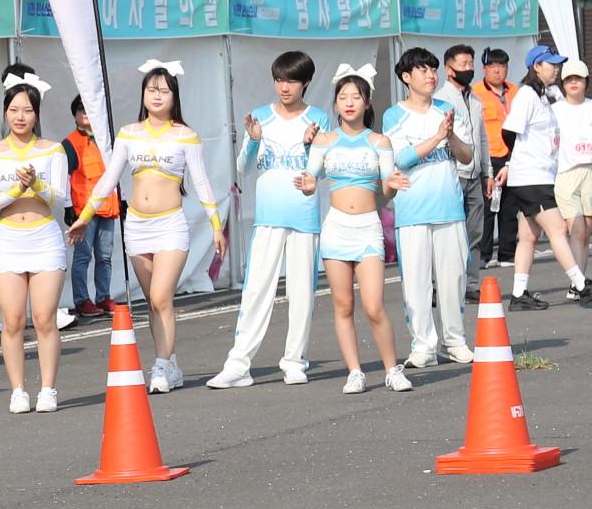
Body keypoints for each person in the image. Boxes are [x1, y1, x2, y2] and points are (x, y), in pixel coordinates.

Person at [72, 59, 224, 392]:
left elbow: (201, 182)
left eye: (164, 90)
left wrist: (215, 224)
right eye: (152, 89)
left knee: (160, 295)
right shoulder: (129, 133)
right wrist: (84, 217)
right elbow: (108, 180)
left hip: (171, 226)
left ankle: (161, 366)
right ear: (143, 94)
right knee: (153, 302)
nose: (157, 96)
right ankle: (170, 363)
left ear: (174, 96)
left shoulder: (185, 136)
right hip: (137, 227)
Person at [207, 51, 331, 389]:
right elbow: (244, 168)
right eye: (279, 80)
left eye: (291, 81)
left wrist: (310, 147)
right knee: (256, 290)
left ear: (306, 82)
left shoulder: (318, 118)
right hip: (268, 218)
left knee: (302, 293)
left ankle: (295, 361)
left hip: (304, 217)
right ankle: (238, 364)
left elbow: (323, 170)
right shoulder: (261, 116)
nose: (284, 87)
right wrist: (254, 140)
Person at [306, 65, 411, 393]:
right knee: (343, 305)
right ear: (335, 103)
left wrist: (393, 184)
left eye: (356, 97)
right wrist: (307, 184)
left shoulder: (380, 141)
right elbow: (311, 179)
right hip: (336, 227)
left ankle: (392, 369)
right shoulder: (324, 140)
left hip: (368, 228)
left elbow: (387, 191)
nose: (349, 103)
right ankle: (355, 372)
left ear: (367, 102)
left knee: (374, 306)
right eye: (343, 97)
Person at [0, 65, 74, 413]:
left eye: (27, 110)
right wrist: (17, 189)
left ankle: (48, 388)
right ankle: (18, 390)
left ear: (37, 113)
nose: (20, 117)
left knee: (45, 318)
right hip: (8, 240)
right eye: (14, 110)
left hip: (44, 237)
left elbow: (61, 197)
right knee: (13, 321)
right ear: (5, 112)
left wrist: (36, 184)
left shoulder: (53, 150)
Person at [495, 47, 592, 309]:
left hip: (539, 174)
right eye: (551, 64)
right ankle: (581, 285)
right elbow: (508, 132)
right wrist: (517, 160)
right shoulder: (527, 95)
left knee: (529, 235)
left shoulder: (544, 95)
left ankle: (518, 294)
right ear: (536, 66)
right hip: (532, 176)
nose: (557, 69)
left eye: (558, 64)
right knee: (558, 229)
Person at [383, 47, 476, 367]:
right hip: (413, 211)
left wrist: (451, 137)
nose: (431, 75)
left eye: (433, 69)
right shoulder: (394, 115)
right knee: (416, 282)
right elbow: (402, 158)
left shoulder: (448, 110)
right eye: (423, 70)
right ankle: (423, 345)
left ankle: (455, 341)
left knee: (453, 279)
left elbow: (467, 156)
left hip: (449, 207)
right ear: (406, 77)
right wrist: (437, 138)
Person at [551, 60, 592, 265]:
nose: (573, 83)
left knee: (586, 231)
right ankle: (577, 279)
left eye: (578, 79)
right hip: (566, 173)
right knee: (577, 229)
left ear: (586, 82)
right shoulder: (554, 110)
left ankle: (579, 278)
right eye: (569, 79)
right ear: (563, 84)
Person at [63, 95, 120, 317]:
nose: (85, 113)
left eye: (88, 109)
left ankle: (103, 297)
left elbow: (114, 172)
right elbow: (65, 177)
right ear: (74, 114)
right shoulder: (70, 143)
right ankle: (81, 300)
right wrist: (68, 207)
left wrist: (121, 199)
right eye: (81, 109)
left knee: (105, 256)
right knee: (83, 257)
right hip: (84, 210)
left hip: (108, 207)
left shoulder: (105, 140)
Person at [438, 44, 486, 294]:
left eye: (471, 63)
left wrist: (487, 171)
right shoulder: (441, 100)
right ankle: (442, 285)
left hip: (475, 176)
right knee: (449, 234)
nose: (469, 68)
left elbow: (482, 138)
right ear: (449, 69)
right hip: (453, 175)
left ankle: (471, 284)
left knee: (475, 232)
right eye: (463, 64)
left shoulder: (475, 99)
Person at [476, 48, 517, 264]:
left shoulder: (516, 92)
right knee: (487, 208)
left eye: (501, 66)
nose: (497, 70)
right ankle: (483, 255)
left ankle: (507, 254)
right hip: (488, 157)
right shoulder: (475, 93)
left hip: (512, 155)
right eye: (492, 66)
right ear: (484, 69)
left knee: (510, 206)